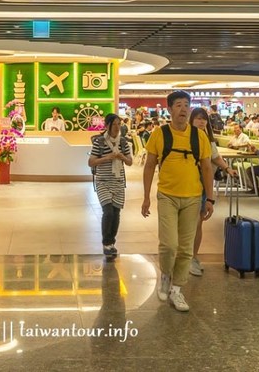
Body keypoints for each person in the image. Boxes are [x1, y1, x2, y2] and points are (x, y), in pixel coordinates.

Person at [141, 91, 213, 313]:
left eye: (186, 105)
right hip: (167, 195)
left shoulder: (199, 136)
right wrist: (146, 197)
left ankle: (177, 289)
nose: (183, 109)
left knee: (185, 248)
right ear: (170, 109)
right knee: (169, 244)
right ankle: (165, 275)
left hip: (193, 197)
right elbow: (150, 165)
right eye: (179, 105)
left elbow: (207, 167)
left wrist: (210, 198)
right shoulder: (159, 134)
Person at [188, 108, 236, 277]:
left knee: (198, 223)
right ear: (191, 120)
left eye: (204, 119)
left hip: (202, 186)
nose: (201, 122)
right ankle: (185, 257)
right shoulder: (186, 137)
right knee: (188, 224)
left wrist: (227, 168)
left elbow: (215, 157)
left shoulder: (208, 140)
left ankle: (193, 257)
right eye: (198, 118)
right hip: (187, 185)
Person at [88, 113, 133, 258]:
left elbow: (130, 162)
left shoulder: (123, 142)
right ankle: (106, 243)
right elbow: (91, 162)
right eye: (114, 124)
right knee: (108, 212)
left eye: (119, 124)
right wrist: (107, 158)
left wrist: (122, 157)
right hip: (103, 181)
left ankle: (111, 243)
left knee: (116, 213)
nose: (117, 127)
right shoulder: (99, 142)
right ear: (107, 126)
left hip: (118, 182)